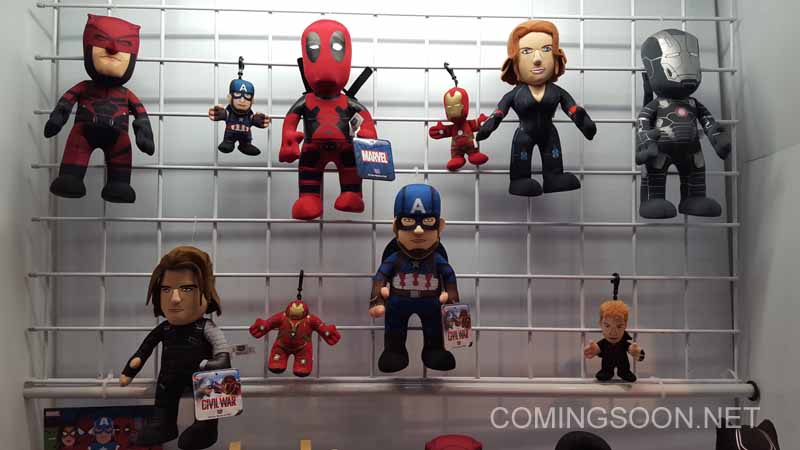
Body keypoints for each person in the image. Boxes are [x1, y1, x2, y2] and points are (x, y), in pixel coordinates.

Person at [119, 246, 230, 450]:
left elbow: (221, 348)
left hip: (202, 375)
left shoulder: (206, 327)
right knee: (165, 395)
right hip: (170, 377)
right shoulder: (165, 328)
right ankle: (163, 424)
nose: (175, 298)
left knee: (210, 389)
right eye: (166, 289)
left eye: (187, 289)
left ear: (206, 292)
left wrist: (221, 360)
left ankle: (206, 427)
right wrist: (130, 370)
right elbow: (143, 351)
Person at [477, 20, 596, 197]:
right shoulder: (515, 94)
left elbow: (572, 110)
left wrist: (584, 122)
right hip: (524, 134)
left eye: (547, 49)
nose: (538, 59)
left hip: (549, 134)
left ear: (556, 56)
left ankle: (553, 178)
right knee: (521, 160)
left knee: (553, 157)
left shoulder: (557, 92)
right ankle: (519, 179)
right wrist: (490, 124)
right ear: (514, 61)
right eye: (526, 51)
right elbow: (500, 112)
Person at [369, 184, 459, 372]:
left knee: (434, 329)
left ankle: (434, 350)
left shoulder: (436, 259)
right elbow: (380, 276)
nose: (418, 231)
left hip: (431, 303)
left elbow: (449, 275)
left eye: (428, 222)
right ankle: (394, 351)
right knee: (394, 330)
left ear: (440, 226)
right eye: (408, 221)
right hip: (398, 302)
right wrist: (377, 300)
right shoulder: (395, 258)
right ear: (395, 226)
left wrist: (451, 302)